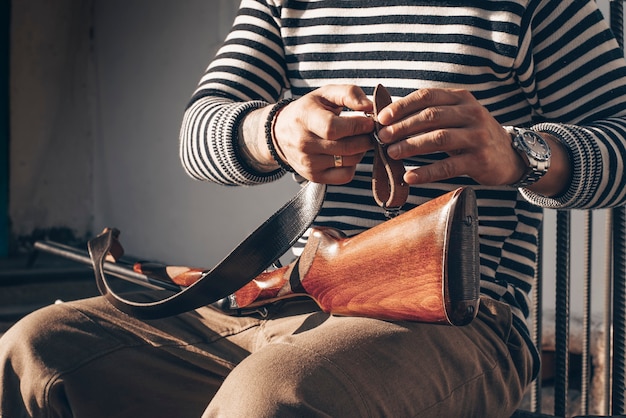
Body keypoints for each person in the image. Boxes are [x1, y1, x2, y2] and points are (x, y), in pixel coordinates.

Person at [2, 0, 626, 417]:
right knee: (36, 348)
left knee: (275, 397)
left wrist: (521, 154)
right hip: (286, 295)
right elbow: (200, 131)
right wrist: (273, 132)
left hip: (459, 318)